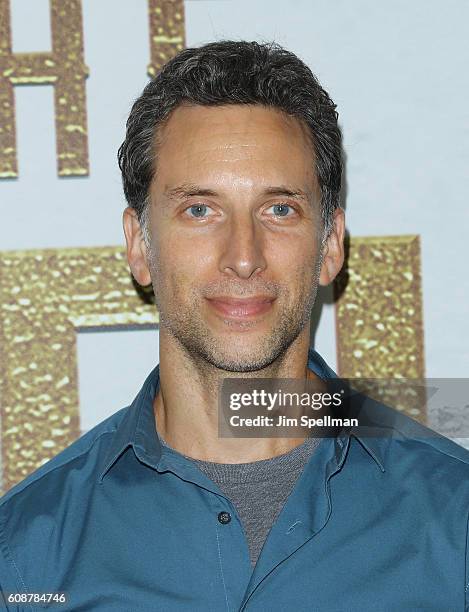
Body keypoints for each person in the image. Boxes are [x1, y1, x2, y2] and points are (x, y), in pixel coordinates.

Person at [0, 40, 468, 612]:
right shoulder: (25, 550)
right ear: (139, 245)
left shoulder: (455, 522)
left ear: (330, 245)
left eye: (279, 210)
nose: (243, 257)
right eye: (200, 210)